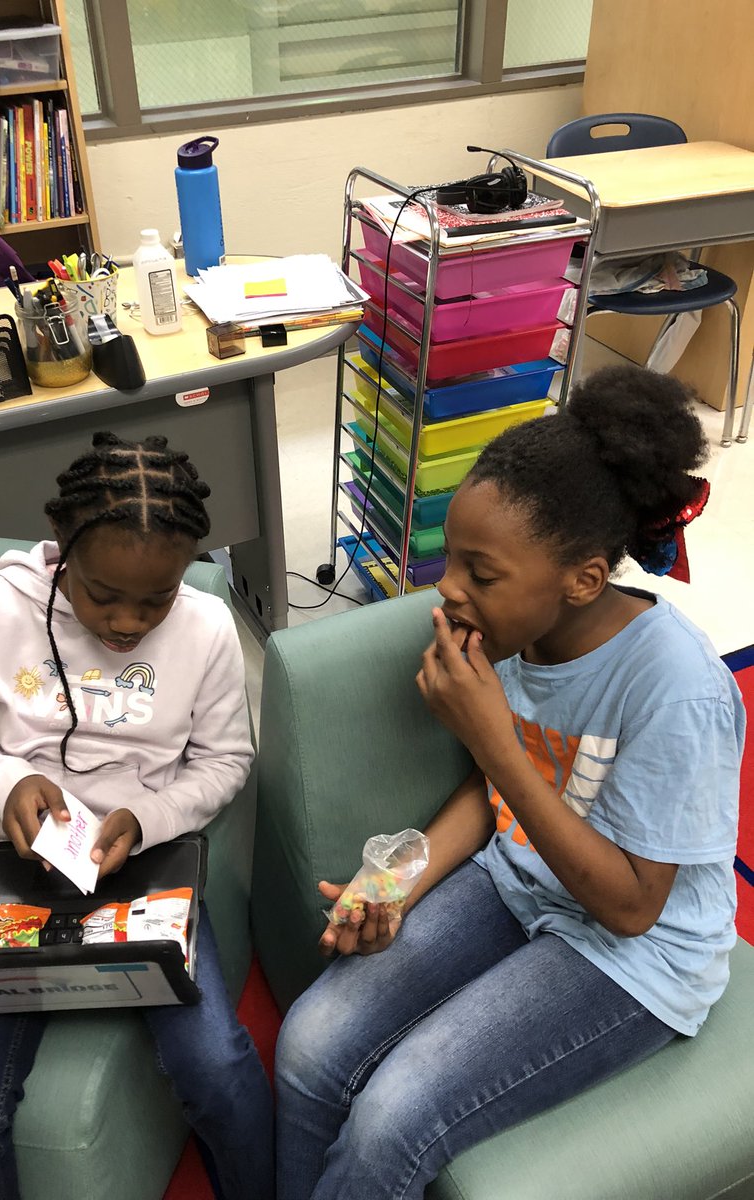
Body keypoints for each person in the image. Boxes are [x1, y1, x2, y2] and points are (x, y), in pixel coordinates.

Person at [275, 366, 744, 1200]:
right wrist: (396, 882)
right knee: (309, 1042)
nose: (448, 588)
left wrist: (490, 739)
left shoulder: (678, 688)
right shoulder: (516, 632)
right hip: (522, 880)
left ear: (585, 580)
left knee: (393, 1120)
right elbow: (497, 806)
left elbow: (633, 907)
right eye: (452, 558)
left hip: (636, 956)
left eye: (479, 574)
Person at [0, 432, 273, 1200]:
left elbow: (225, 762)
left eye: (156, 599)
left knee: (219, 1067)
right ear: (62, 551)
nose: (126, 623)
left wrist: (143, 817)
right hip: (3, 870)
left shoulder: (206, 629)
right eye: (102, 594)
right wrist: (8, 782)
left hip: (142, 865)